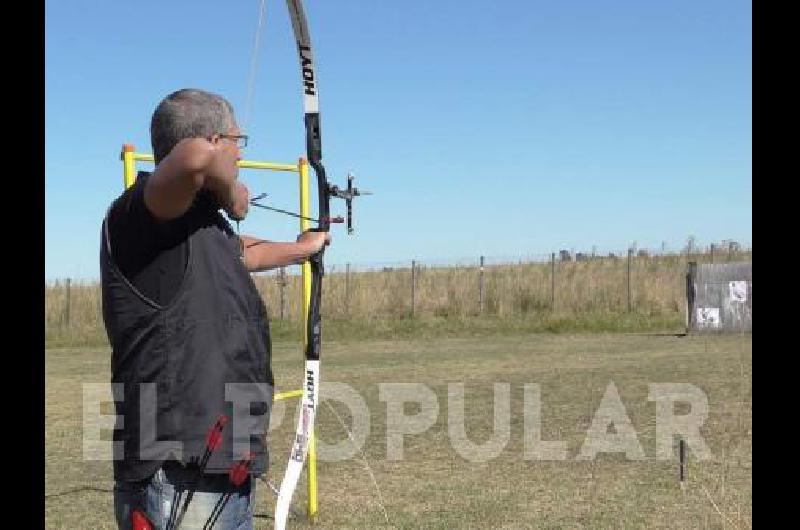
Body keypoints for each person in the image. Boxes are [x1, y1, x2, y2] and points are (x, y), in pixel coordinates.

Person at [101, 88, 329, 529]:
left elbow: (239, 253)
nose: (239, 157)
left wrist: (302, 249)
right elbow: (195, 159)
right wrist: (232, 193)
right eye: (236, 144)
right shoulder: (141, 214)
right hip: (176, 474)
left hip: (220, 464)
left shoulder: (201, 228)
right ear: (214, 139)